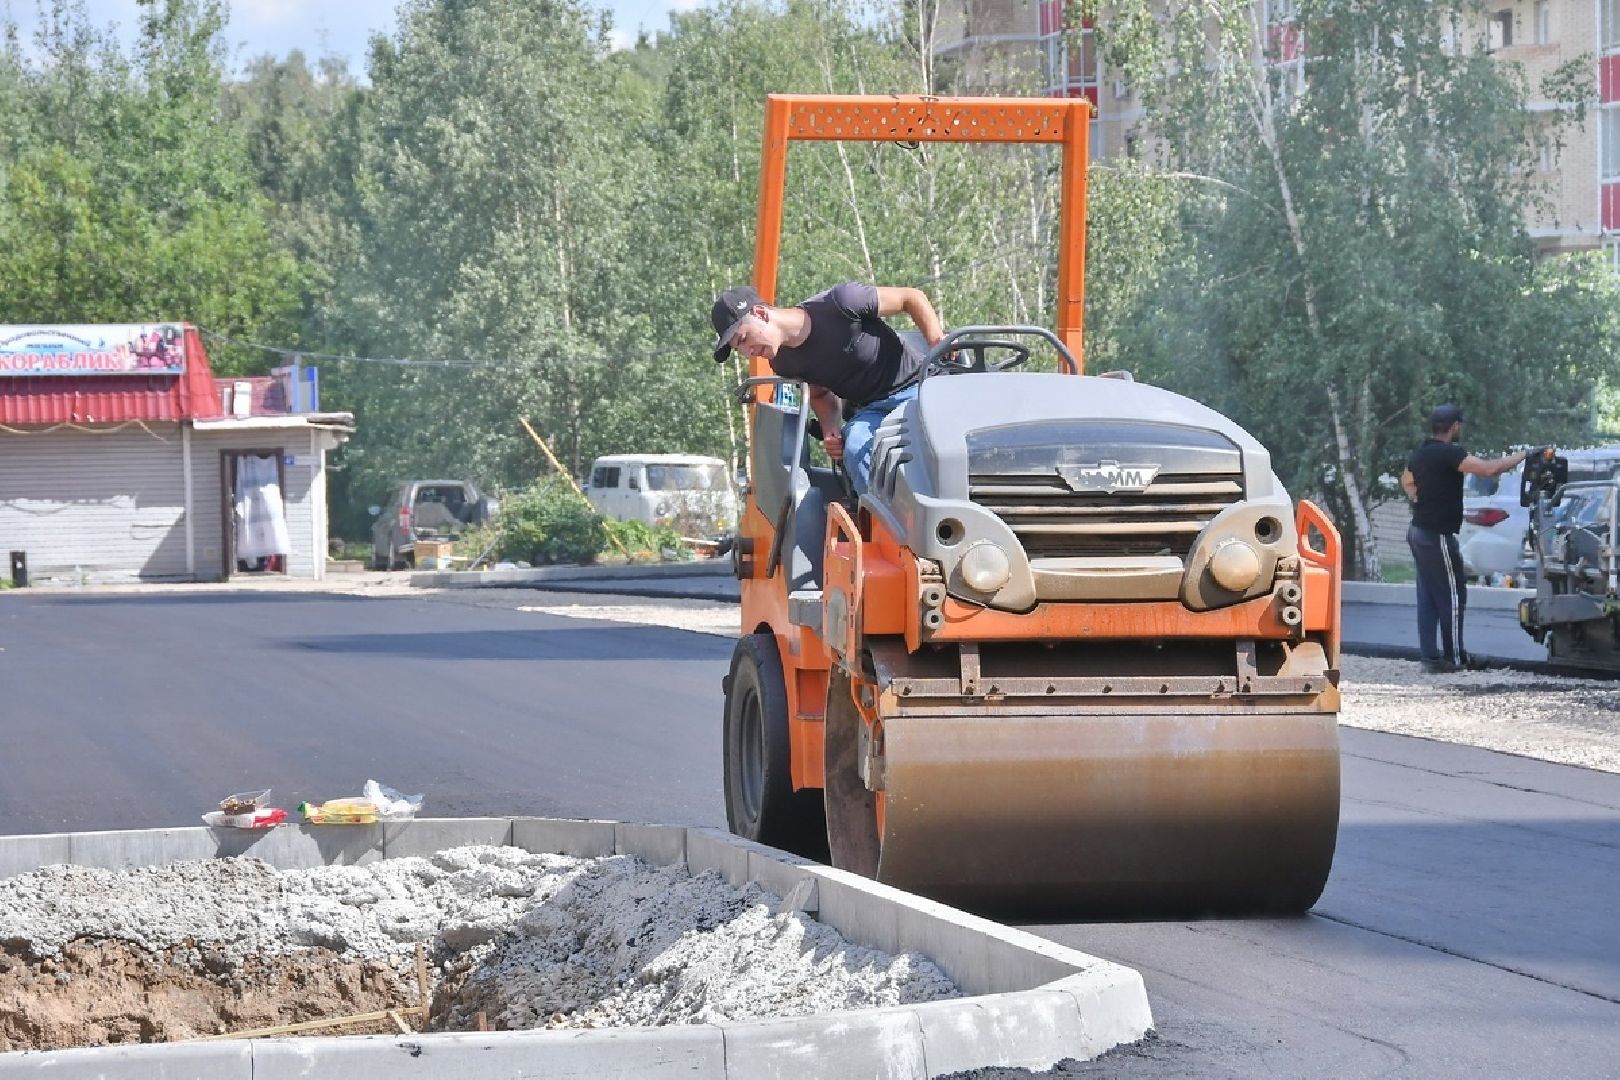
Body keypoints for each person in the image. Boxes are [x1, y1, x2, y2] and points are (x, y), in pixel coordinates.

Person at [710, 282, 944, 496]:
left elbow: (910, 297)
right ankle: (891, 532)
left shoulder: (841, 303)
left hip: (918, 389)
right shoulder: (782, 362)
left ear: (760, 314)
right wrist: (830, 427)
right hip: (871, 410)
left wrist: (936, 341)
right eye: (739, 349)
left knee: (938, 441)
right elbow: (820, 393)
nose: (748, 353)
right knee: (855, 447)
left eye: (743, 339)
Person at [1401, 404, 1527, 673]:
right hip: (1437, 535)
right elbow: (1488, 469)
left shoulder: (1421, 453)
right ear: (1455, 426)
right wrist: (1522, 455)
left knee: (1428, 596)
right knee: (1453, 595)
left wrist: (1420, 500)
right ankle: (1455, 659)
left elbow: (1407, 481)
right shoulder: (1450, 453)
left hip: (1418, 531)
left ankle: (1430, 658)